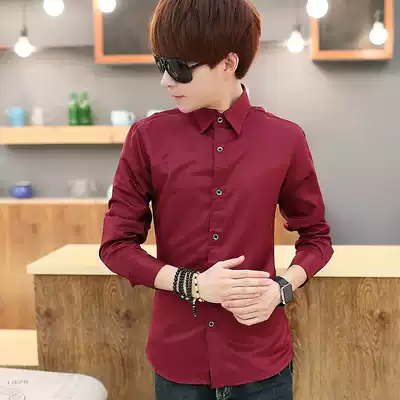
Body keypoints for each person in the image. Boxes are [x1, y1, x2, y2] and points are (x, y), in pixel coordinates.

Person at [99, 0, 334, 399]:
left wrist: (281, 289)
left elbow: (317, 238)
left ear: (228, 62)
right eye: (161, 64)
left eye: (178, 68)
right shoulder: (147, 138)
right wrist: (192, 283)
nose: (165, 81)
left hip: (261, 363)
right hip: (179, 365)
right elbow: (116, 246)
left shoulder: (286, 139)